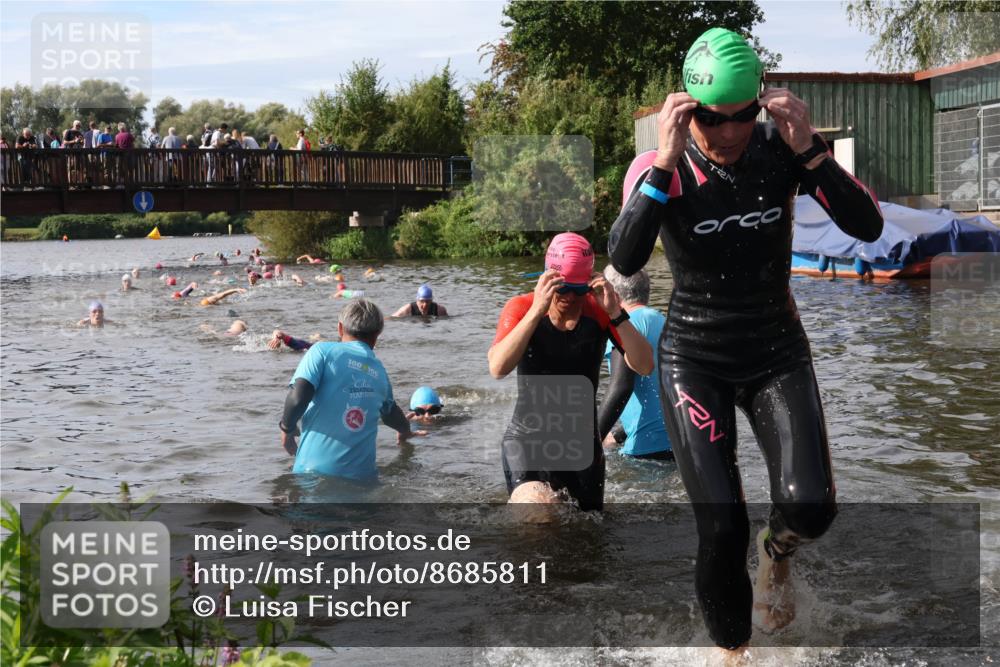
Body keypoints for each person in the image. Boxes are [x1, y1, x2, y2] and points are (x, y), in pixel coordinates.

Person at [608, 28, 884, 654]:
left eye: (743, 115)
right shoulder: (661, 166)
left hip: (774, 348)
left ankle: (778, 550)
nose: (729, 133)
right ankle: (733, 654)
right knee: (720, 527)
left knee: (811, 509)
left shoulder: (780, 149)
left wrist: (811, 149)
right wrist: (664, 163)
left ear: (760, 103)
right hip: (695, 358)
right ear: (687, 108)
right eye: (712, 118)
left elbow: (867, 226)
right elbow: (623, 260)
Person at [487, 232, 654, 511]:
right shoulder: (521, 307)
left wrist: (616, 314)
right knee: (539, 513)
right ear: (547, 279)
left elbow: (645, 365)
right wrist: (537, 310)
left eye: (579, 290)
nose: (571, 298)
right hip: (528, 442)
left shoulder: (599, 311)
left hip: (583, 450)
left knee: (588, 541)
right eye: (562, 289)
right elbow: (497, 367)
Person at [278, 299, 424, 481]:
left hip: (312, 475)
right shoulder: (379, 372)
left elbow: (298, 397)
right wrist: (405, 430)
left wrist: (287, 428)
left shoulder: (321, 351)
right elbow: (391, 414)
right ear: (378, 334)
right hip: (363, 481)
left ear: (340, 328)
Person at [597, 266, 672, 460]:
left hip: (646, 450)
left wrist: (587, 443)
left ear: (611, 293)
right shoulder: (664, 321)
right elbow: (659, 393)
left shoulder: (625, 326)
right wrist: (618, 434)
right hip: (679, 443)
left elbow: (621, 388)